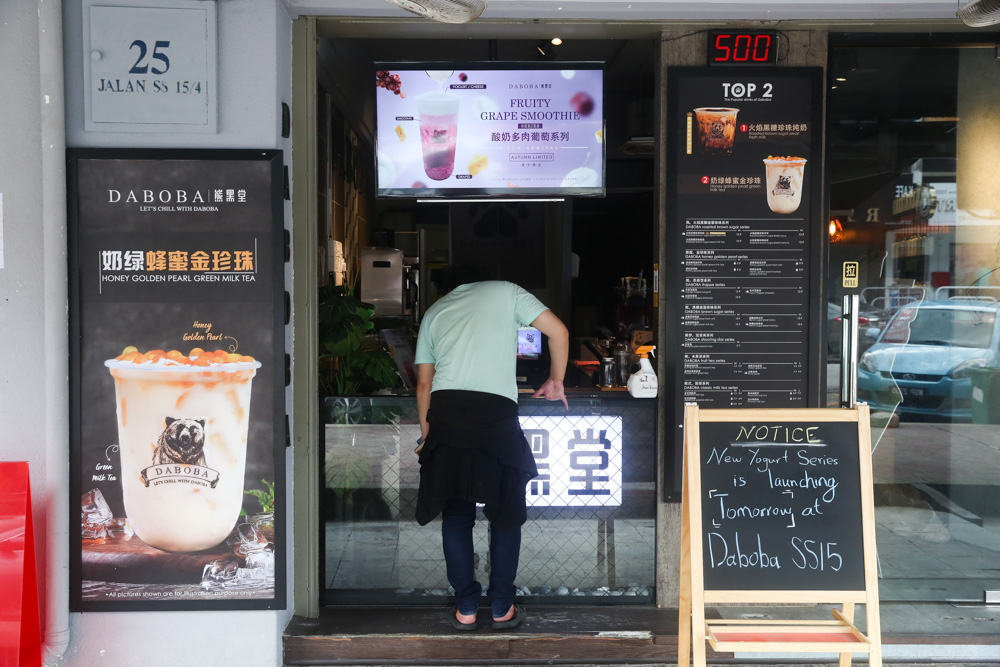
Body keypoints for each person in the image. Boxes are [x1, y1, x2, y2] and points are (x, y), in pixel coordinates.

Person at [414, 268, 569, 631]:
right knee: (505, 515)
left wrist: (427, 437)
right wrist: (555, 379)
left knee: (455, 514)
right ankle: (502, 608)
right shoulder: (509, 291)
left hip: (447, 413)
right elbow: (558, 331)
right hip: (496, 415)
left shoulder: (436, 310)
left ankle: (466, 608)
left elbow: (424, 383)